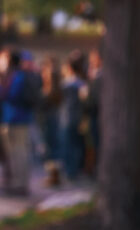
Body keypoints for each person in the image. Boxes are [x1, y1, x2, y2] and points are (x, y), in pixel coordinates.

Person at [0, 49, 37, 195]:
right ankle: (16, 182)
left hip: (16, 119)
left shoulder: (17, 76)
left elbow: (10, 95)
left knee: (19, 153)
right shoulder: (15, 75)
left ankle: (20, 183)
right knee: (15, 153)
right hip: (13, 118)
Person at [60, 51, 86, 181]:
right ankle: (74, 170)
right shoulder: (82, 83)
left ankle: (71, 171)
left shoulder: (67, 84)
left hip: (68, 118)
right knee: (76, 144)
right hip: (78, 117)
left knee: (69, 144)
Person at [39, 56, 63, 186]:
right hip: (50, 120)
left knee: (52, 148)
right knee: (51, 147)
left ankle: (54, 176)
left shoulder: (50, 92)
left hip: (50, 121)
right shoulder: (54, 89)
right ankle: (52, 175)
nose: (42, 74)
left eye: (44, 71)